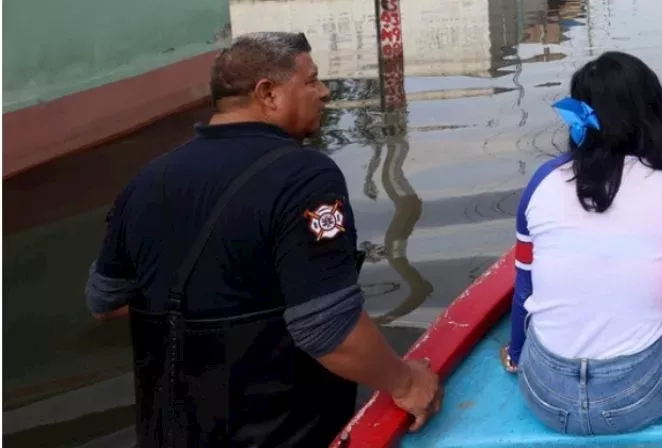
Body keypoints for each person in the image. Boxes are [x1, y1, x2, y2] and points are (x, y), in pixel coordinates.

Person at [84, 32, 441, 448]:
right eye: (311, 81)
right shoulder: (304, 175)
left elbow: (104, 302)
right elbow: (329, 331)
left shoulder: (146, 180)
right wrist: (405, 381)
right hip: (281, 432)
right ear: (268, 94)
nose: (324, 93)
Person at [501, 51, 662, 436]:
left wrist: (515, 354)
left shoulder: (543, 182)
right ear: (650, 110)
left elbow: (524, 287)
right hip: (637, 396)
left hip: (545, 394)